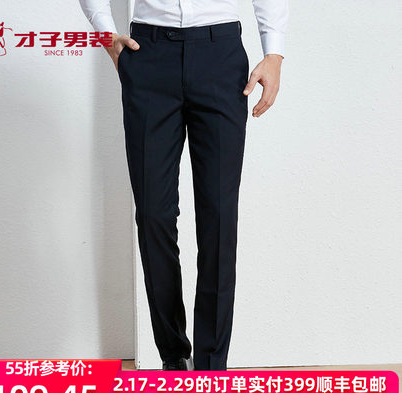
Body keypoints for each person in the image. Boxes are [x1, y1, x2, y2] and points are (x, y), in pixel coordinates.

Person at [78, 0, 288, 371]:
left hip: (220, 55)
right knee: (153, 215)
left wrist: (274, 52)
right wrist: (106, 33)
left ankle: (211, 367)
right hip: (149, 54)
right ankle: (174, 357)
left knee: (219, 216)